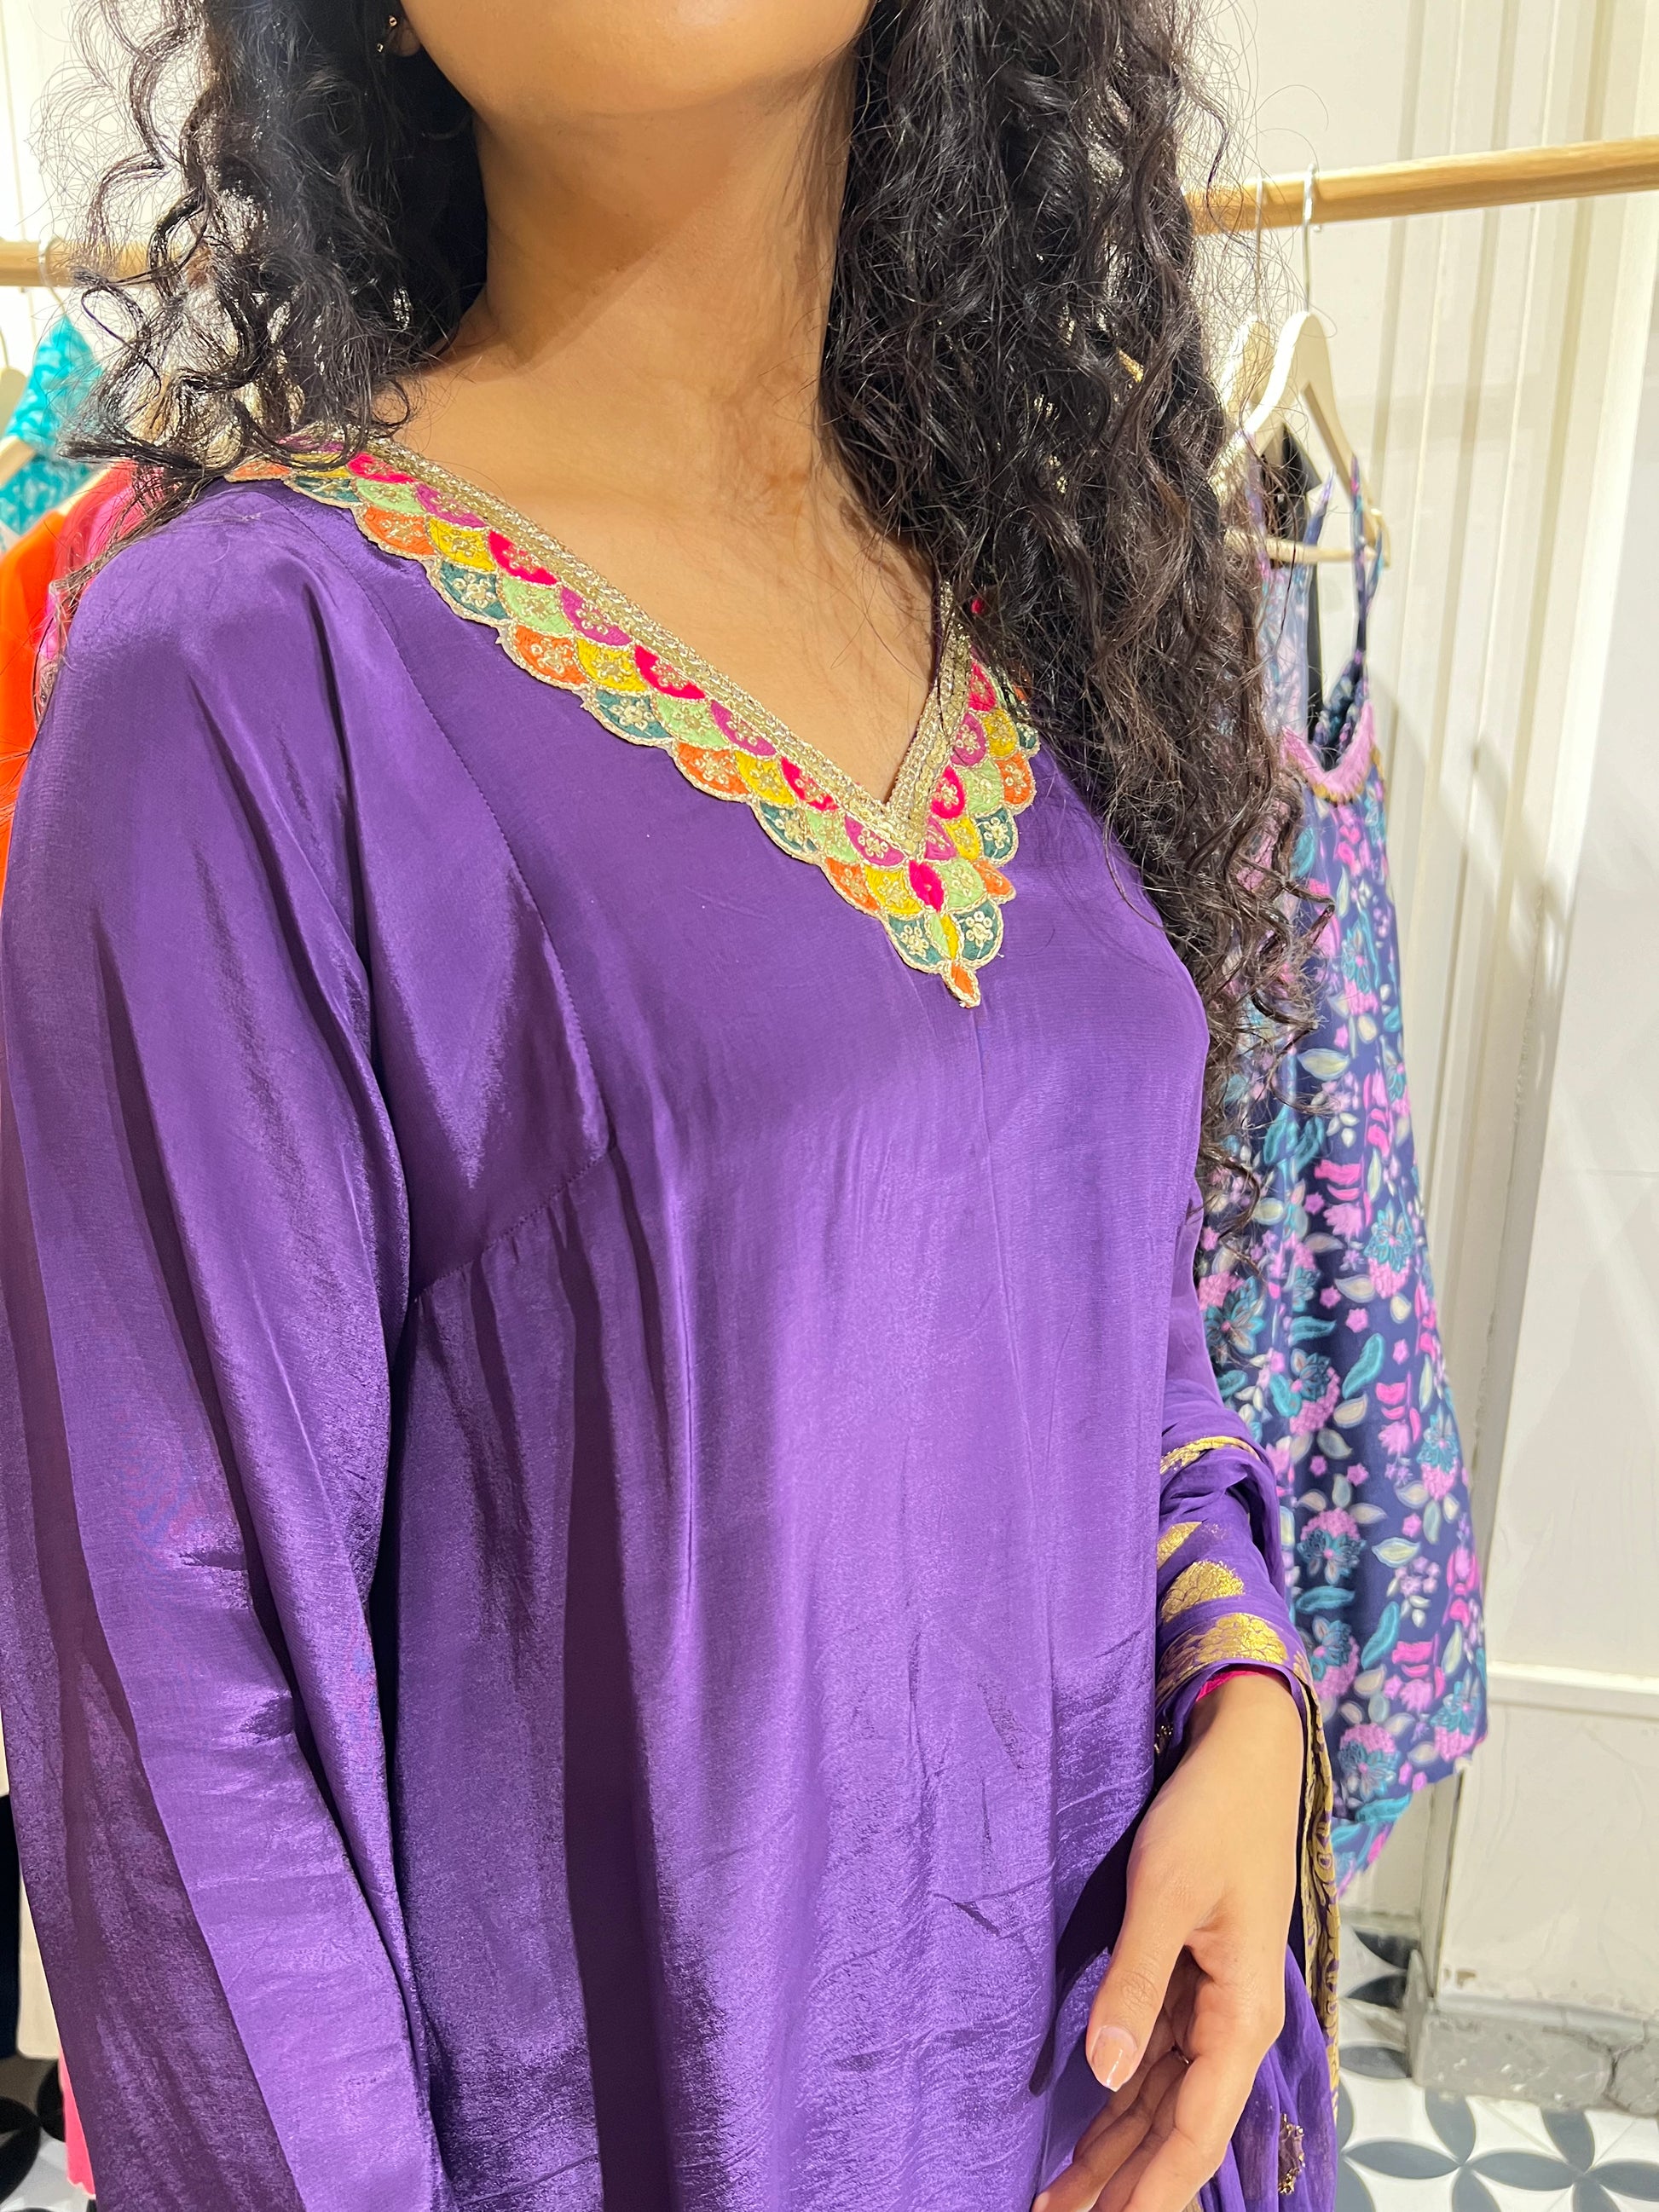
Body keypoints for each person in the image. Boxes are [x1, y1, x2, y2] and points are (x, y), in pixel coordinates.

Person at [0, 3, 1337, 2208]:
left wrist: (1247, 1694)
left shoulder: (1012, 603)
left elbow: (1122, 1333)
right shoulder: (244, 674)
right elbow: (187, 1739)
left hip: (1123, 2108)